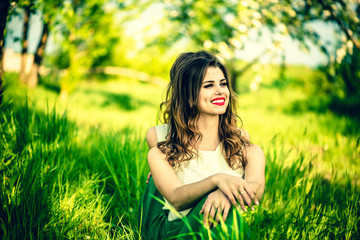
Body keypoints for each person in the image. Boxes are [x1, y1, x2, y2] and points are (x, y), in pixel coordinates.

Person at [138, 51, 265, 239]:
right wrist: (218, 180)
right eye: (208, 85)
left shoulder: (246, 148)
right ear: (189, 96)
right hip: (178, 229)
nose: (220, 90)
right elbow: (175, 197)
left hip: (224, 224)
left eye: (223, 84)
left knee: (225, 216)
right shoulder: (163, 148)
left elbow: (256, 188)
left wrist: (225, 195)